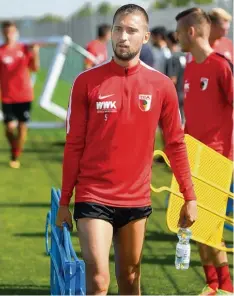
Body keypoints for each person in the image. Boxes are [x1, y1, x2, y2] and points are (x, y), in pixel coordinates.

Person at [56, 4, 197, 295]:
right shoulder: (86, 82)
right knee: (98, 280)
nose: (123, 36)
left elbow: (175, 144)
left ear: (145, 37)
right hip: (93, 195)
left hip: (136, 199)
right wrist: (64, 201)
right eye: (118, 28)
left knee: (130, 280)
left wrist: (189, 195)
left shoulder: (161, 86)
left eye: (131, 30)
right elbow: (73, 144)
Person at [176, 7, 233, 296]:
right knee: (195, 226)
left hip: (218, 158)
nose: (175, 37)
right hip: (192, 157)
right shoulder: (189, 66)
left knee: (212, 229)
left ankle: (226, 287)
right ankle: (211, 283)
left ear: (191, 32)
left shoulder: (221, 65)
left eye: (178, 32)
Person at [0, 21, 40, 169]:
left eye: (11, 32)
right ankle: (14, 148)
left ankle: (16, 154)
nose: (9, 35)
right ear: (3, 34)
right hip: (7, 97)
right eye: (6, 32)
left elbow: (35, 68)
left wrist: (35, 53)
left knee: (22, 128)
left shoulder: (24, 49)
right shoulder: (1, 51)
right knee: (9, 128)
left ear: (16, 33)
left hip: (24, 96)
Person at [166, 31, 186, 125]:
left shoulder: (172, 58)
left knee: (176, 122)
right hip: (187, 91)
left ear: (168, 41)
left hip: (177, 93)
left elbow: (172, 79)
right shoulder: (185, 55)